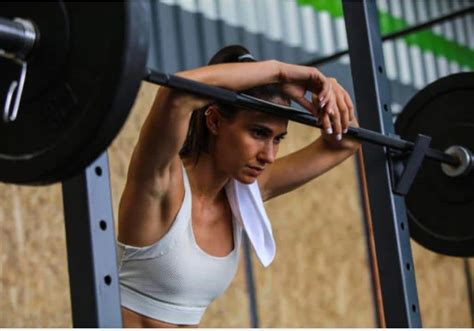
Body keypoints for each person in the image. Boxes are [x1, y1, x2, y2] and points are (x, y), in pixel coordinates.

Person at [116, 45, 360, 327]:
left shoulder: (243, 194)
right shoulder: (161, 183)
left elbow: (346, 142)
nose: (268, 155)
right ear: (215, 120)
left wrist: (329, 96)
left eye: (278, 138)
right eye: (259, 133)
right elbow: (177, 94)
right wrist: (279, 71)